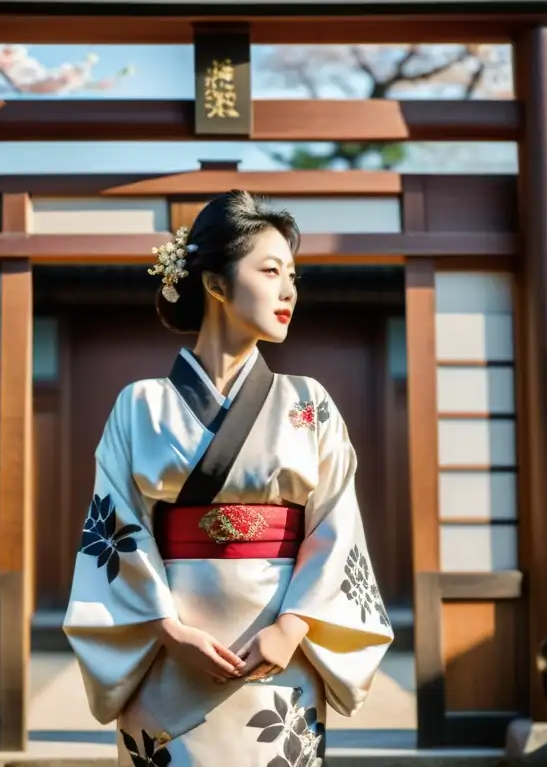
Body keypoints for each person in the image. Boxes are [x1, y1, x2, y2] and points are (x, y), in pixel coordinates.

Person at [63, 190, 394, 766]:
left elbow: (338, 528)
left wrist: (291, 627)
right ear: (215, 285)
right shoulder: (139, 406)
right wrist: (167, 630)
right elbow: (113, 529)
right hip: (167, 658)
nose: (289, 288)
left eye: (293, 274)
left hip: (279, 657)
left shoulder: (308, 402)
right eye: (270, 270)